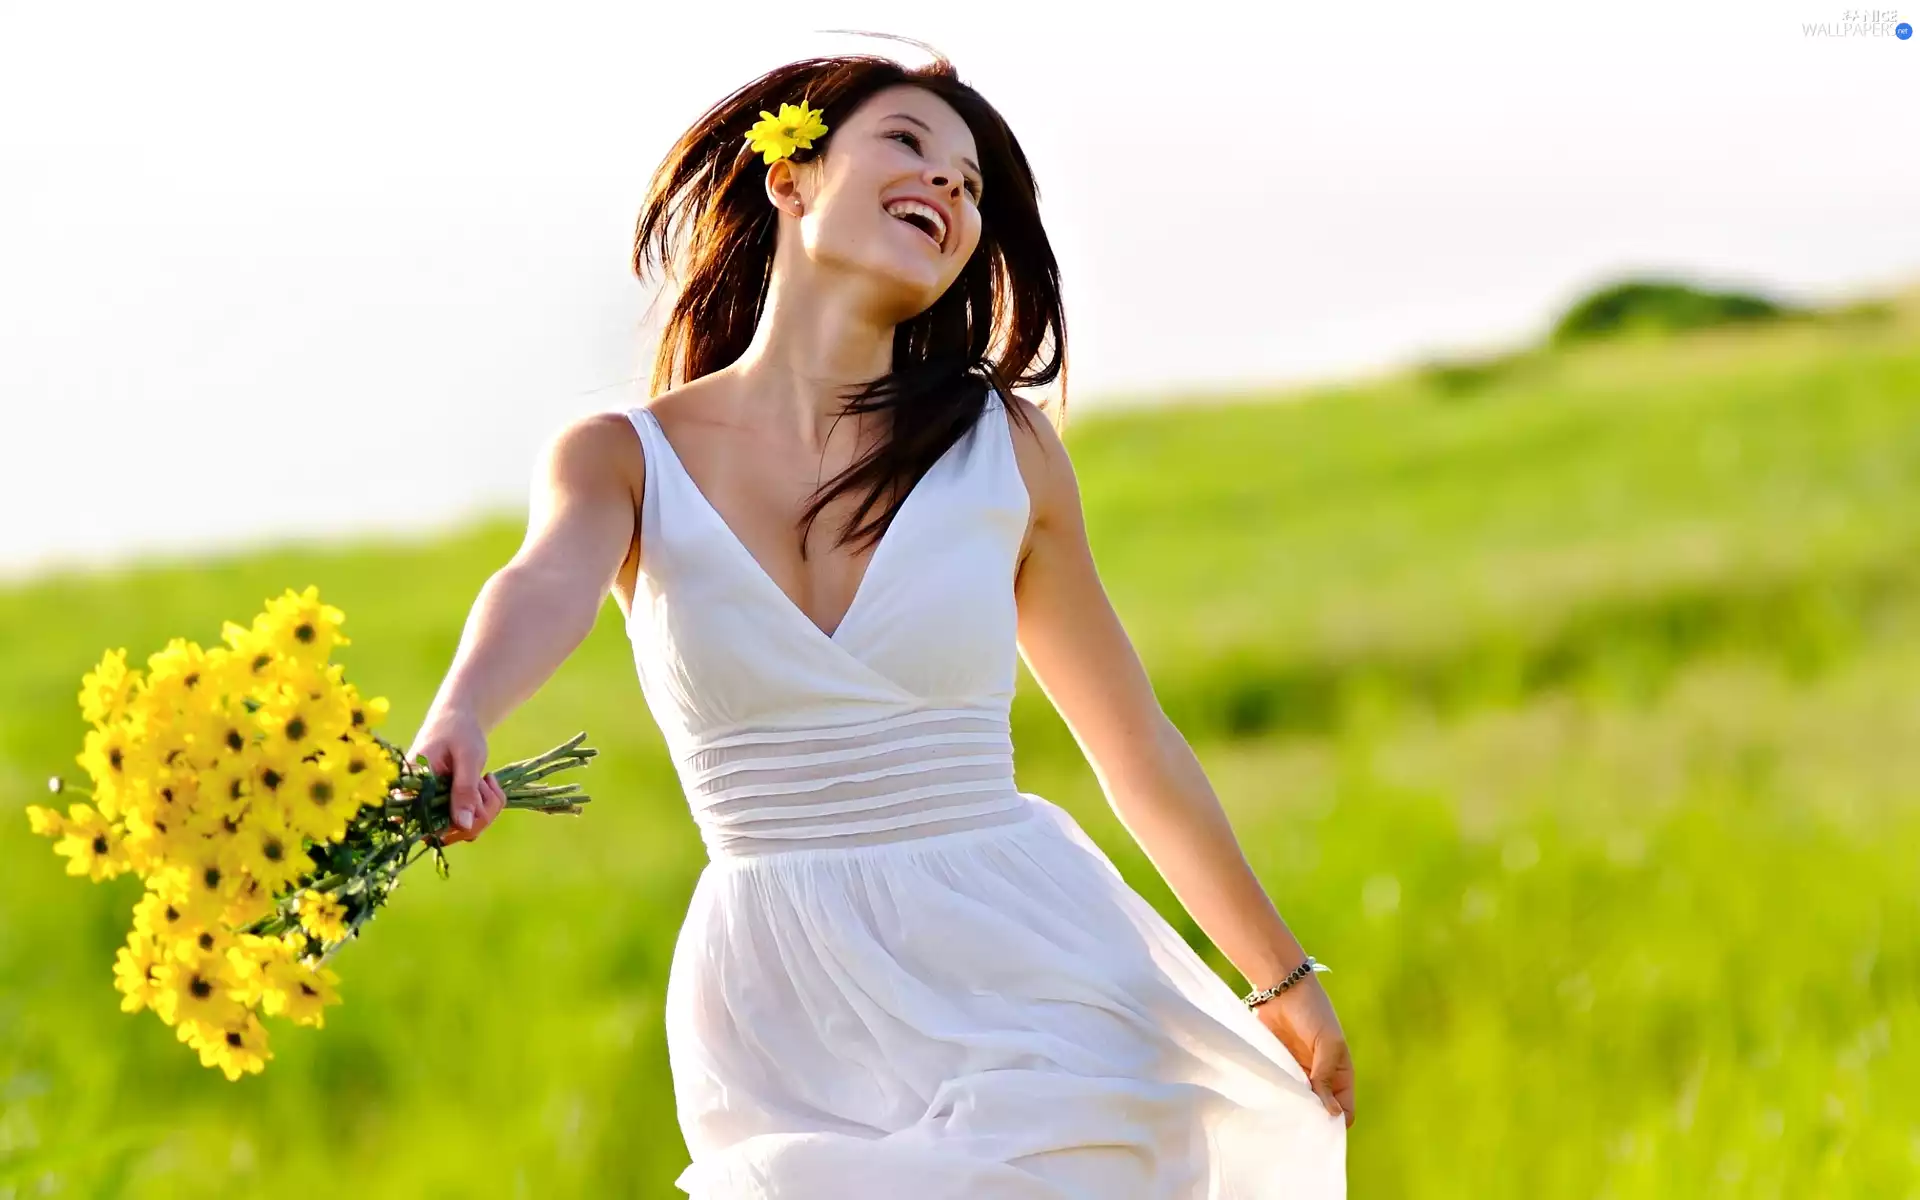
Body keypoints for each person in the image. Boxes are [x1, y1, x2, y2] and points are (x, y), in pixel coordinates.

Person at [407, 47, 1353, 1199]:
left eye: (971, 185)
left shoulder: (1004, 454)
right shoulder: (623, 458)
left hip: (1024, 965)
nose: (951, 188)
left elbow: (1136, 748)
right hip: (779, 1001)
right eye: (910, 145)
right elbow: (541, 584)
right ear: (789, 178)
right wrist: (462, 711)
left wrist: (1279, 978)